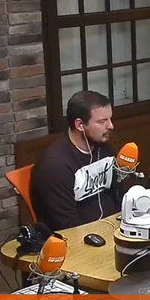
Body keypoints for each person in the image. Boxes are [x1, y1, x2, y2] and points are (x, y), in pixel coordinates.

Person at [30, 91, 122, 231]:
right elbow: (67, 224)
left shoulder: (103, 149)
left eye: (110, 119)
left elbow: (118, 194)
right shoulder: (55, 166)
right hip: (80, 238)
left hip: (114, 229)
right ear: (80, 125)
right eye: (102, 121)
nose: (111, 126)